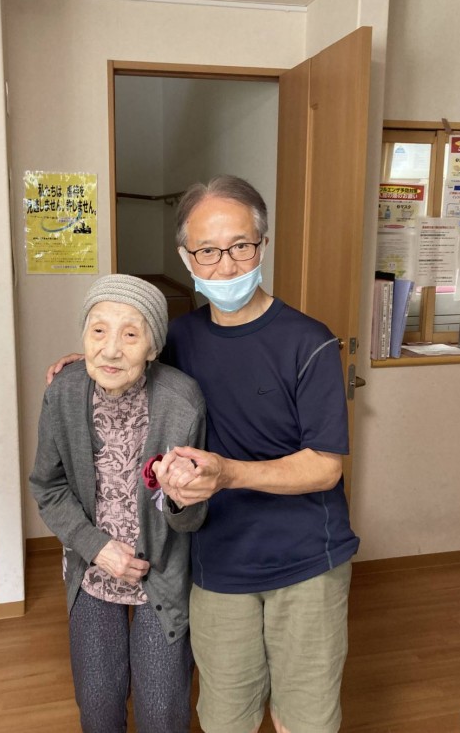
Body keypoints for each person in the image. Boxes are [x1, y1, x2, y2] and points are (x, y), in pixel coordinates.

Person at [48, 176, 359, 733]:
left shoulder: (308, 341)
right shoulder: (178, 340)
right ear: (185, 257)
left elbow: (325, 466)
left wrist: (228, 474)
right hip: (214, 561)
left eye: (240, 246)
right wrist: (92, 360)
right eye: (207, 251)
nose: (225, 265)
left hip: (306, 561)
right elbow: (128, 355)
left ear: (262, 245)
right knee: (223, 718)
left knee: (305, 720)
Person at [31, 274, 207, 733]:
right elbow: (47, 487)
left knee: (162, 711)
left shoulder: (182, 401)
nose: (110, 350)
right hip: (91, 569)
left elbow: (193, 518)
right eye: (98, 331)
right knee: (98, 706)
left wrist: (181, 499)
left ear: (153, 347)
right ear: (83, 337)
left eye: (130, 334)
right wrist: (96, 547)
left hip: (161, 574)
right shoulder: (63, 393)